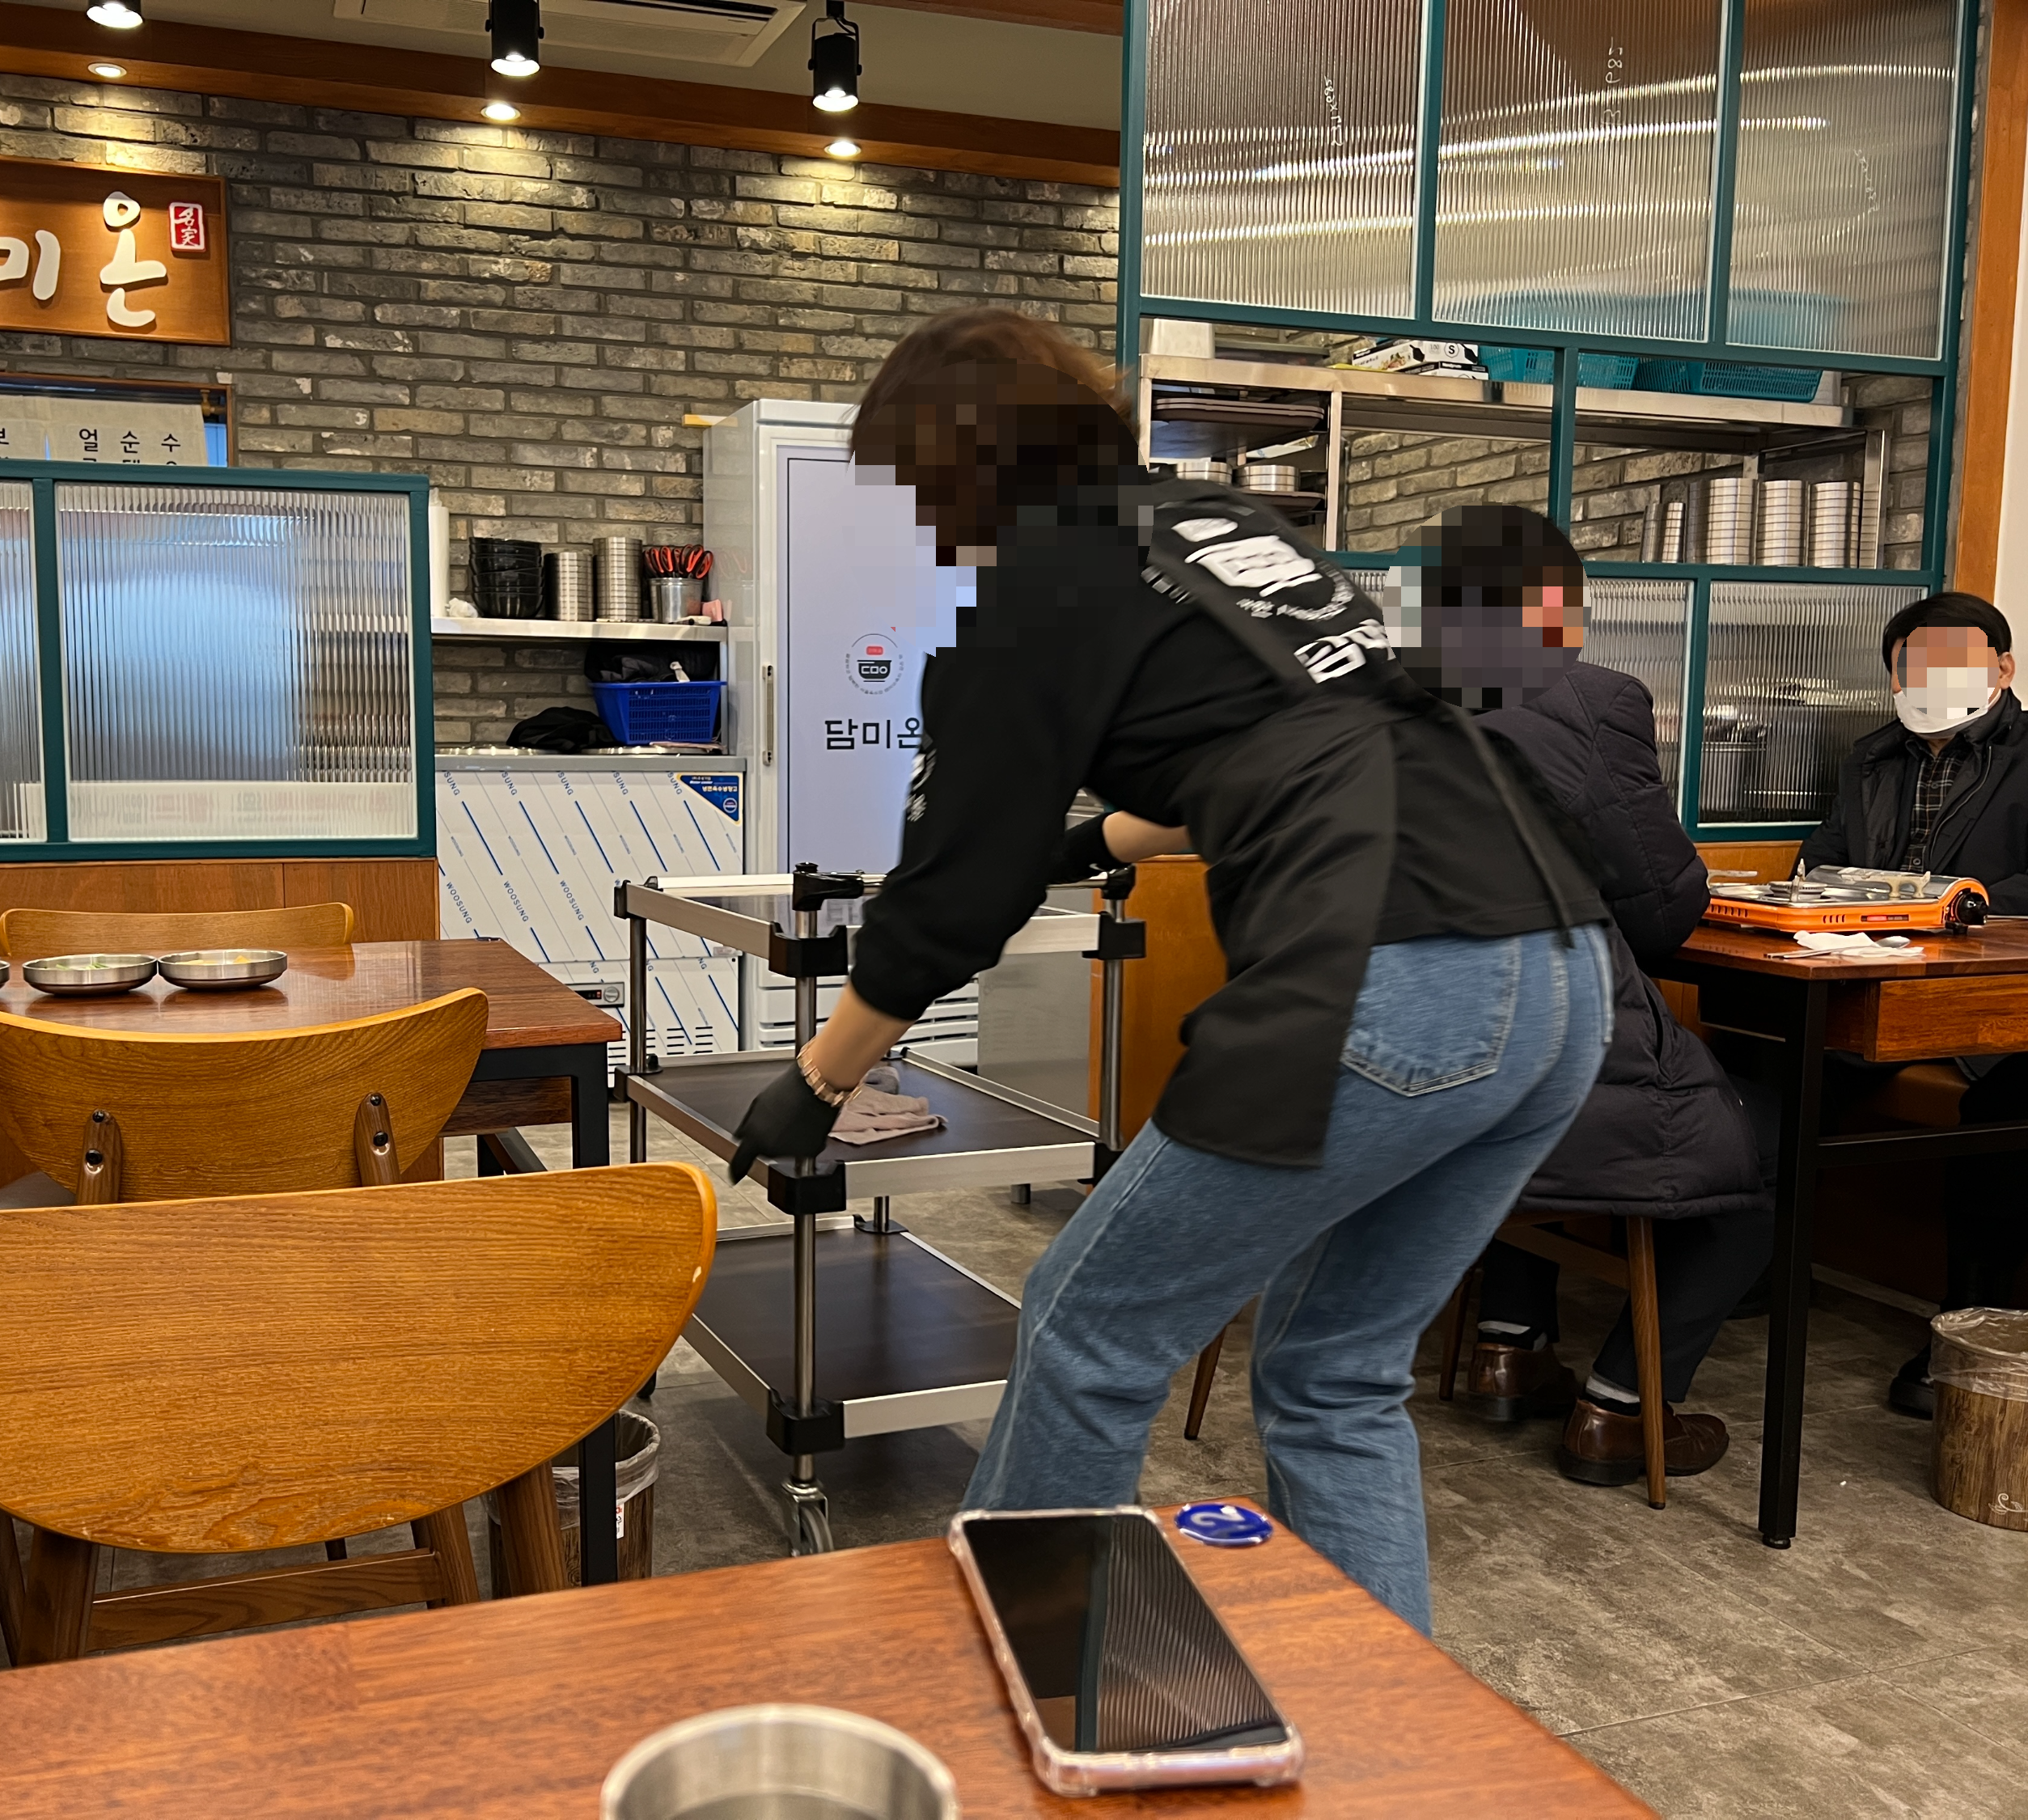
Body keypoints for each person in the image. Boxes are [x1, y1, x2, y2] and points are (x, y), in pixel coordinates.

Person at [724, 307, 1613, 1634]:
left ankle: (1035, 1681)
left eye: (914, 488)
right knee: (1336, 1372)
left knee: (1087, 1333)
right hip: (1559, 972)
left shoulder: (1031, 592)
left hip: (1386, 973)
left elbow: (953, 897)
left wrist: (816, 1076)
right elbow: (1287, 748)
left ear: (955, 467)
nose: (922, 522)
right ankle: (1392, 1752)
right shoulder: (1230, 537)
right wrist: (1091, 838)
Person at [1393, 505, 1773, 1484]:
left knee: (1546, 1127)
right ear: (1556, 607)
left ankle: (1509, 1345)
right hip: (1536, 1020)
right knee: (1758, 1161)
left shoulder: (1376, 691)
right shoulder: (1586, 696)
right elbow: (1659, 909)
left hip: (1387, 1044)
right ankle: (1622, 1407)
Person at [1798, 590, 2028, 1415]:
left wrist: (1951, 904)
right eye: (1911, 666)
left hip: (1990, 1004)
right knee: (1765, 1066)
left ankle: (1966, 1336)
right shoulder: (1870, 758)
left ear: (2001, 669)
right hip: (1866, 985)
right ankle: (1745, 1276)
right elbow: (1817, 861)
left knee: (2007, 1111)